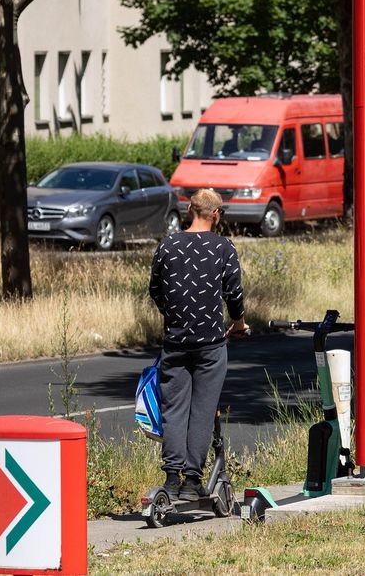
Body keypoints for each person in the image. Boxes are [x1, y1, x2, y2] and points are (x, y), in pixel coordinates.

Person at [148, 188, 247, 501]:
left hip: (175, 341)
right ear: (215, 214)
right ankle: (192, 480)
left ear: (189, 210)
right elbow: (234, 292)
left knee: (174, 409)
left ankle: (170, 478)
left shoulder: (167, 245)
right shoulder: (222, 248)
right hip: (210, 343)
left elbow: (155, 290)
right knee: (203, 410)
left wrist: (174, 316)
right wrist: (239, 322)